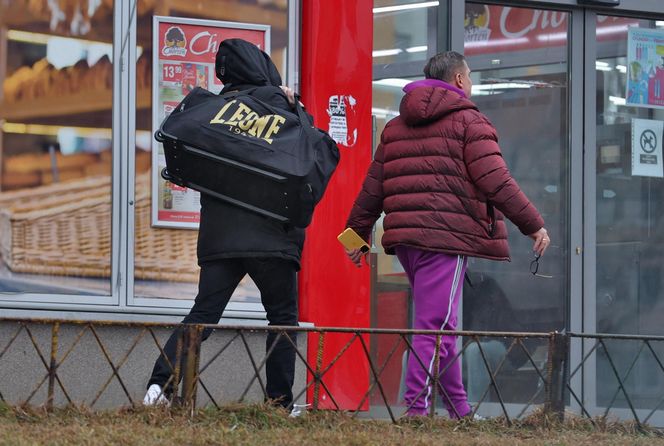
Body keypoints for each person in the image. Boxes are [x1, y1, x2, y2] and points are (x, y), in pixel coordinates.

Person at [344, 51, 550, 418]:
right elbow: (496, 181)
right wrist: (533, 224)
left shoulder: (395, 126)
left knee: (444, 325)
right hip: (446, 240)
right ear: (457, 79)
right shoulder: (470, 122)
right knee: (434, 326)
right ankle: (415, 412)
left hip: (409, 242)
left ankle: (459, 408)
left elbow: (372, 188)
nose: (471, 84)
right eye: (469, 77)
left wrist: (355, 237)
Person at [144, 39, 302, 410]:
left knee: (203, 314)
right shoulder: (281, 106)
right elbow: (307, 161)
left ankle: (157, 388)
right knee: (281, 318)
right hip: (271, 236)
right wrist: (295, 107)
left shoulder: (212, 112)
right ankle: (278, 404)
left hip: (221, 236)